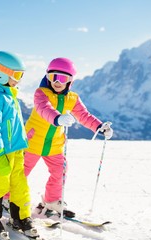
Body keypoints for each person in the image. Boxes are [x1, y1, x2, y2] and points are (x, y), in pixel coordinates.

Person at [21, 57, 113, 217]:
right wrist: (57, 118)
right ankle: (8, 199)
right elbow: (44, 108)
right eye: (53, 76)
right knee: (21, 170)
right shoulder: (41, 93)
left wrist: (99, 127)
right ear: (47, 77)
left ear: (70, 81)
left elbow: (84, 115)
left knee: (60, 171)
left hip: (54, 145)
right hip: (32, 142)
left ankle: (52, 201)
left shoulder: (73, 98)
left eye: (62, 78)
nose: (57, 82)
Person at [0, 51, 38, 239]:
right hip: (0, 152)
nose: (19, 80)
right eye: (17, 75)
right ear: (0, 73)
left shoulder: (7, 93)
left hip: (16, 149)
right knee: (0, 185)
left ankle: (20, 218)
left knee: (20, 185)